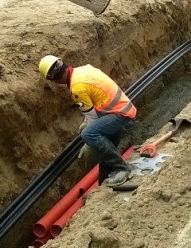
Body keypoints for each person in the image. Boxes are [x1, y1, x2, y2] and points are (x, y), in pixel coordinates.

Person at [38, 55, 135, 186]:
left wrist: (88, 143)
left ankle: (122, 169)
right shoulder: (83, 70)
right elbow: (94, 98)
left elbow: (93, 118)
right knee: (106, 149)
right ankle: (104, 179)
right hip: (121, 107)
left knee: (88, 134)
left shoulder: (76, 88)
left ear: (54, 80)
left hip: (118, 113)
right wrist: (87, 122)